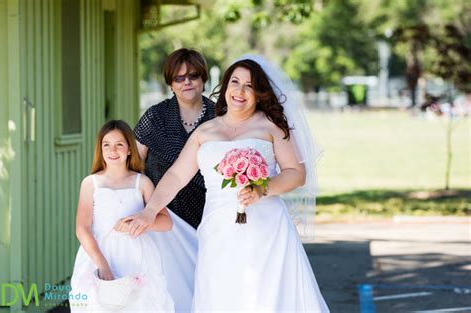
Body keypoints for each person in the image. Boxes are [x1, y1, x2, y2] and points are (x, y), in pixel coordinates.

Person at [126, 57, 329, 312]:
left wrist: (261, 188)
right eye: (235, 82)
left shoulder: (271, 127)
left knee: (264, 297)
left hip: (266, 230)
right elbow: (177, 176)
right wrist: (150, 210)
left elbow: (296, 173)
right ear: (225, 86)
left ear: (259, 93)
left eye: (249, 85)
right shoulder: (205, 131)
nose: (240, 91)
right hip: (218, 229)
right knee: (222, 294)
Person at [69, 120, 175, 311]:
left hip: (136, 256)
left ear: (128, 149)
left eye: (119, 144)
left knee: (138, 305)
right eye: (106, 145)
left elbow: (166, 222)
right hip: (99, 254)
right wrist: (103, 265)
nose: (113, 150)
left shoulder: (142, 182)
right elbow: (81, 228)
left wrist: (141, 222)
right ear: (100, 149)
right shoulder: (91, 183)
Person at [134, 48, 216, 229]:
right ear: (171, 83)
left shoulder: (219, 117)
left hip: (207, 216)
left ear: (203, 79)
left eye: (193, 76)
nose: (186, 82)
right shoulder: (155, 116)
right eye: (179, 78)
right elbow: (134, 162)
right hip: (160, 215)